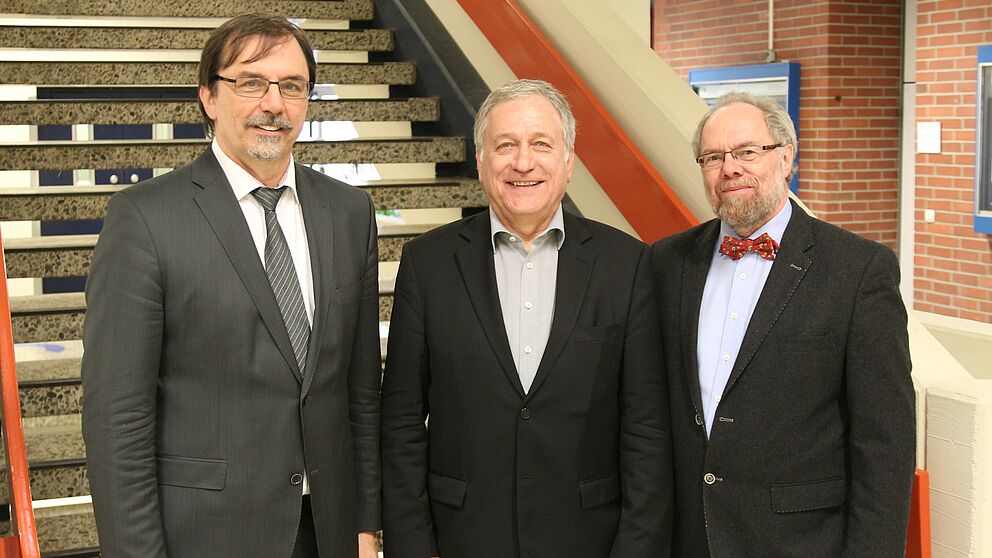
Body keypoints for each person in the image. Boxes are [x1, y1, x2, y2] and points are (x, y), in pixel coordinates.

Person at [81, 13, 381, 558]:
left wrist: (365, 523)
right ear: (209, 98)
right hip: (204, 536)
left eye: (291, 86)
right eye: (250, 83)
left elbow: (358, 392)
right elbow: (117, 420)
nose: (274, 104)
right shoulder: (145, 219)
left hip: (328, 531)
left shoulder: (349, 212)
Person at [380, 79, 672, 558]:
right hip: (463, 537)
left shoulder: (627, 264)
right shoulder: (426, 263)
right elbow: (402, 423)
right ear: (480, 160)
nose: (522, 162)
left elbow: (646, 429)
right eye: (505, 145)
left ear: (568, 161)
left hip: (588, 540)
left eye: (541, 144)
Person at [651, 91, 915, 557]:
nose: (729, 168)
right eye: (713, 157)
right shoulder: (668, 261)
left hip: (801, 543)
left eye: (747, 151)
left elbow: (884, 442)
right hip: (689, 537)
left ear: (786, 156)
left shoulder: (858, 270)